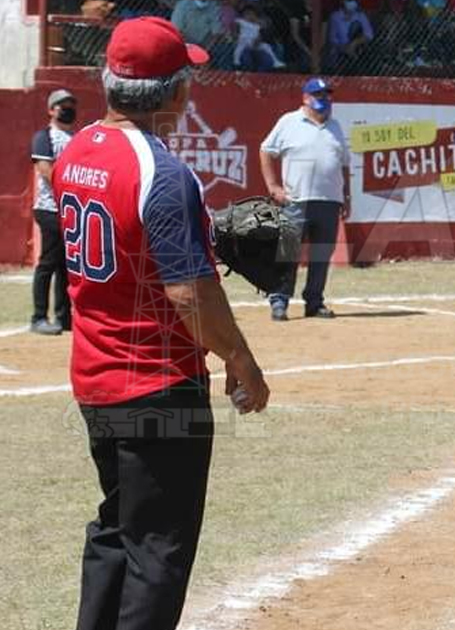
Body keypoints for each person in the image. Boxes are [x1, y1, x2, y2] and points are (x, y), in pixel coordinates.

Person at [53, 16, 269, 630]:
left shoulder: (78, 149)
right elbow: (187, 290)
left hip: (95, 375)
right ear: (175, 92)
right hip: (155, 379)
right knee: (158, 550)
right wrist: (240, 356)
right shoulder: (164, 172)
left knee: (116, 530)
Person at [260, 77, 350, 321]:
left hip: (329, 201)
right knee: (288, 253)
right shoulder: (289, 122)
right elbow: (266, 151)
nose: (325, 99)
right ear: (305, 98)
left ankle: (314, 301)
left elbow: (343, 165)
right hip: (295, 200)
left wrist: (346, 196)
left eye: (327, 95)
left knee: (321, 254)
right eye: (319, 95)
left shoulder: (336, 127)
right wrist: (273, 186)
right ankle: (279, 301)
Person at [29, 88, 78, 336]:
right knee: (48, 262)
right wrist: (74, 183)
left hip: (71, 210)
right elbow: (46, 171)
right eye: (62, 105)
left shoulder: (78, 138)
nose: (68, 108)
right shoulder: (44, 137)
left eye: (71, 104)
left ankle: (63, 316)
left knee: (66, 266)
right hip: (49, 208)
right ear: (51, 109)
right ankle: (38, 316)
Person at [234, 5, 287, 70]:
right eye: (246, 14)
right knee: (239, 49)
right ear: (242, 16)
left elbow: (264, 28)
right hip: (244, 40)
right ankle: (236, 62)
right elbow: (236, 28)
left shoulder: (257, 24)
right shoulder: (241, 21)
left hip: (255, 41)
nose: (249, 16)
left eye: (251, 14)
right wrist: (237, 36)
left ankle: (275, 61)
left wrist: (256, 21)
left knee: (266, 47)